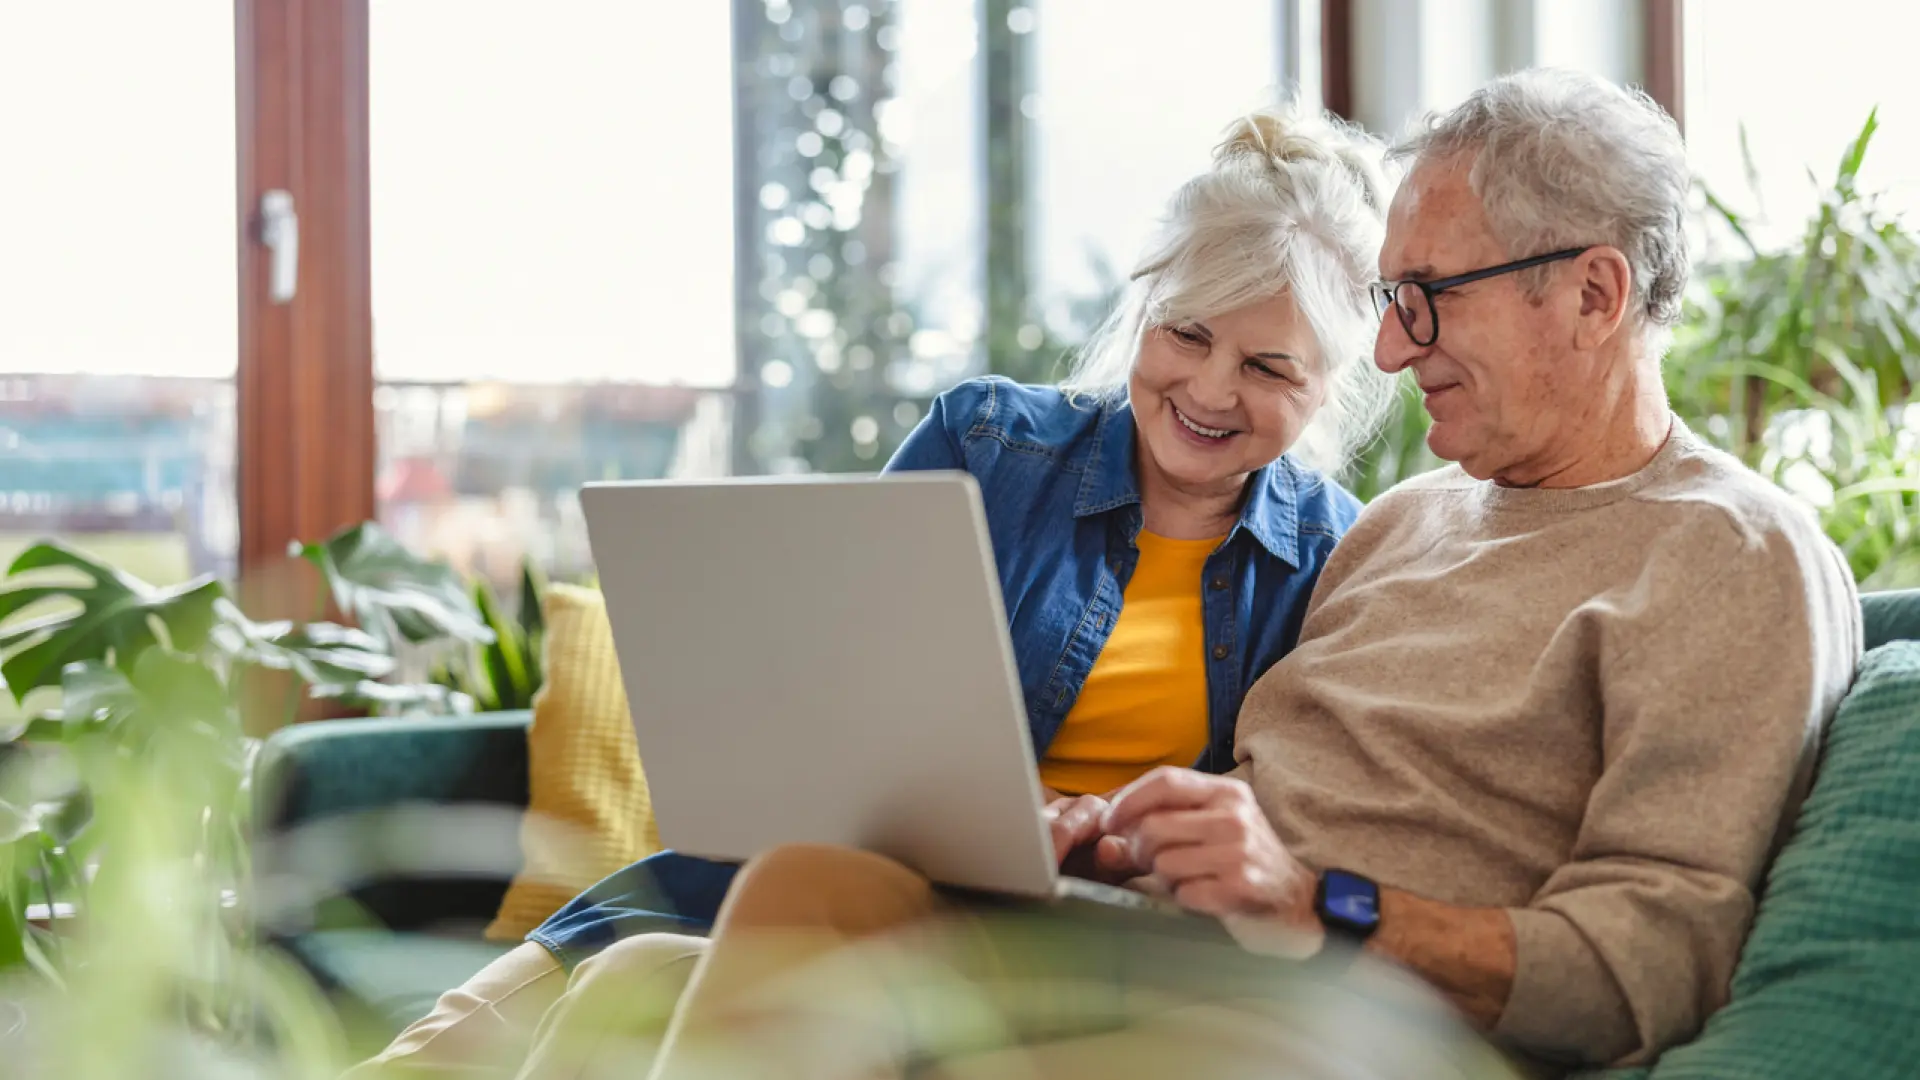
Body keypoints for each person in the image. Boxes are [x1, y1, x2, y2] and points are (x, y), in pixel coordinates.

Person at [417, 68, 1860, 1080]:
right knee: (641, 976)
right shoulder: (1407, 524)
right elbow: (1263, 785)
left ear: (1594, 294)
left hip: (1342, 1017)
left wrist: (1322, 901)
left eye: (1425, 303)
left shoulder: (1730, 552)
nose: (1401, 354)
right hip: (1158, 945)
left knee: (790, 910)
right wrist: (1130, 832)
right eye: (1392, 307)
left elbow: (1650, 961)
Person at [347, 101, 1399, 1079]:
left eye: (1269, 369)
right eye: (1188, 334)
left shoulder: (1333, 562)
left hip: (1039, 941)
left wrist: (1114, 839)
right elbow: (829, 715)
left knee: (624, 996)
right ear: (1144, 316)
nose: (1211, 390)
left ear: (1330, 387)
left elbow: (1276, 845)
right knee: (440, 1054)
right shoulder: (986, 445)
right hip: (791, 882)